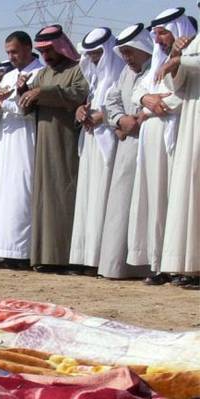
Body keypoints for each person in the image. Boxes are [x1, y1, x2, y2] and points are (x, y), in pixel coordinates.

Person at [131, 8, 195, 285]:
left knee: (178, 199)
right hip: (154, 139)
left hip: (180, 133)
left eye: (163, 33)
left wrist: (152, 106)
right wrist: (145, 99)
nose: (157, 40)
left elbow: (182, 96)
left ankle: (182, 265)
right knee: (155, 201)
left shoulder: (189, 55)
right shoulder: (160, 60)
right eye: (155, 34)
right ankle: (161, 263)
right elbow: (139, 89)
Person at [21, 24, 90, 271]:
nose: (46, 56)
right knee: (45, 199)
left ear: (61, 47)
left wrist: (43, 92)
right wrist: (24, 92)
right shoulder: (42, 74)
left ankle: (67, 257)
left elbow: (79, 93)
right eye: (42, 52)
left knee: (65, 195)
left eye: (49, 51)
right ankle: (46, 257)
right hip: (43, 142)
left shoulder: (78, 69)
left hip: (65, 141)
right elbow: (27, 106)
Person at [98, 23, 155, 280]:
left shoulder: (155, 70)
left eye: (130, 52)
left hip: (150, 144)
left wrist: (139, 119)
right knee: (121, 205)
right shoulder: (125, 73)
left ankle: (147, 265)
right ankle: (117, 265)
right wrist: (120, 120)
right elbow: (112, 100)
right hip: (127, 146)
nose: (127, 58)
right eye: (123, 53)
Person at [0, 31, 44, 263]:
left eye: (15, 51)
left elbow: (26, 108)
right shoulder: (8, 76)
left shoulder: (40, 73)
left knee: (23, 191)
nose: (11, 56)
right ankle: (5, 250)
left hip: (26, 138)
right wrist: (0, 101)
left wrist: (1, 103)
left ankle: (24, 252)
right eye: (8, 52)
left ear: (28, 48)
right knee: (5, 193)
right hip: (6, 139)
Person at [69, 27, 125, 273]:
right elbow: (92, 102)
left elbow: (125, 102)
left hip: (110, 139)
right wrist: (81, 111)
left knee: (103, 196)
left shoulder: (120, 70)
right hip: (92, 139)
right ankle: (87, 257)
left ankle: (102, 258)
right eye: (90, 54)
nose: (93, 58)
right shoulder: (96, 77)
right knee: (88, 198)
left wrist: (102, 116)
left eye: (97, 53)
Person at [158, 7, 200, 288]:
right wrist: (176, 56)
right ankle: (193, 266)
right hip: (193, 120)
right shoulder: (192, 44)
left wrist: (179, 58)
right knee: (191, 189)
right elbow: (177, 85)